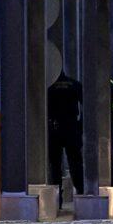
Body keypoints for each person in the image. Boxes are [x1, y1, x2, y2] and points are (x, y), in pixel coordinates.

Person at [46, 71, 84, 209]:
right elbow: (85, 105)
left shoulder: (49, 86)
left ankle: (57, 200)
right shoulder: (74, 84)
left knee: (54, 165)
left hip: (53, 128)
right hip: (71, 127)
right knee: (75, 162)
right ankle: (81, 191)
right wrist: (80, 125)